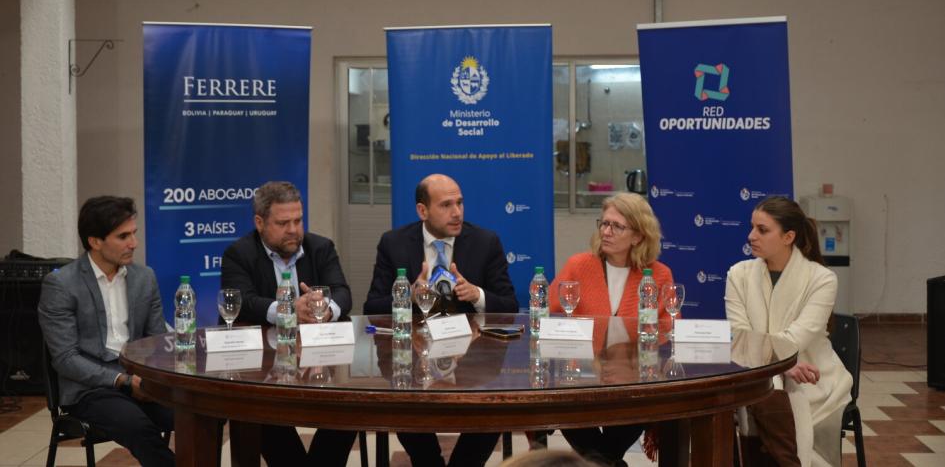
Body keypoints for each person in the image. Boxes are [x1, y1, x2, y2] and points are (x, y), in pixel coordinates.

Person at [364, 173, 517, 467]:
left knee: (494, 410)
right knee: (403, 408)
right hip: (412, 360)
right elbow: (372, 306)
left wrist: (476, 294)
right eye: (446, 205)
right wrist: (406, 295)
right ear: (423, 211)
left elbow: (509, 305)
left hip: (473, 362)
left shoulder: (485, 242)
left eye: (459, 203)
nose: (457, 212)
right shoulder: (394, 243)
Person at [221, 180, 356, 467]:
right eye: (283, 223)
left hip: (319, 363)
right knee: (260, 413)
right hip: (263, 369)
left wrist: (325, 308)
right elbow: (242, 300)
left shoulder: (320, 247)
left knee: (352, 409)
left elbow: (343, 293)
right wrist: (286, 310)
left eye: (298, 220)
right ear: (259, 222)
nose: (293, 229)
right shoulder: (239, 253)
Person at [37, 196, 174, 467]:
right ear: (95, 241)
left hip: (139, 381)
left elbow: (157, 340)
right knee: (138, 427)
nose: (133, 243)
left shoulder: (144, 278)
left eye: (134, 234)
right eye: (123, 236)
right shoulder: (61, 284)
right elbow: (65, 358)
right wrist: (123, 380)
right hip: (89, 390)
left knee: (203, 414)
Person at [725, 196, 853, 467]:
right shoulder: (738, 274)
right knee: (737, 400)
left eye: (762, 229)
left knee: (764, 398)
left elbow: (796, 339)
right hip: (756, 368)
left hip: (811, 375)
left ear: (788, 236)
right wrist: (779, 366)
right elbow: (740, 336)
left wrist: (778, 367)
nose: (751, 236)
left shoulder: (822, 279)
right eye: (752, 227)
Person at [547, 192, 673, 467]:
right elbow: (548, 313)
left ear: (638, 236)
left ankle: (604, 463)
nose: (606, 231)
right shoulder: (579, 265)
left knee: (641, 406)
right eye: (603, 223)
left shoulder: (658, 274)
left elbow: (667, 330)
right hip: (582, 378)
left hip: (633, 381)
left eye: (616, 226)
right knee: (564, 407)